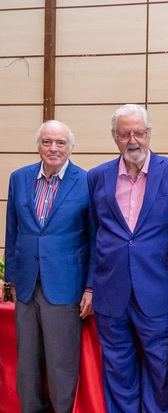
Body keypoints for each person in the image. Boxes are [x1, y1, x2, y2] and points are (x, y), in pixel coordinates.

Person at [88, 104, 168, 412]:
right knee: (118, 372)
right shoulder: (96, 177)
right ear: (114, 138)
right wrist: (90, 287)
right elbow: (94, 233)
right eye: (125, 134)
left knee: (161, 372)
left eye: (139, 132)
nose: (133, 140)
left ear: (148, 134)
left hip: (159, 290)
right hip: (111, 292)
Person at [4, 120, 92, 413]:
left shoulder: (86, 182)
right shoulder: (18, 178)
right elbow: (12, 232)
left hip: (66, 285)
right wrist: (11, 279)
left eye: (60, 143)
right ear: (38, 145)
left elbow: (95, 239)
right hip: (26, 286)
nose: (53, 148)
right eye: (47, 142)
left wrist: (91, 287)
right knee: (26, 365)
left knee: (60, 365)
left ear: (70, 147)